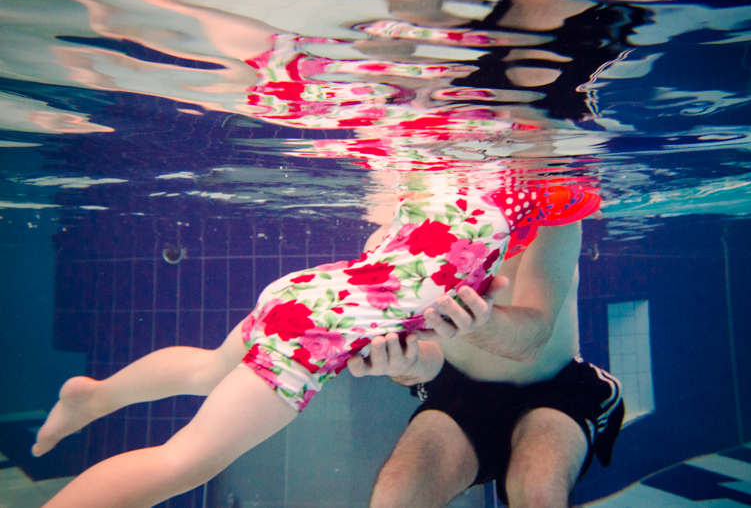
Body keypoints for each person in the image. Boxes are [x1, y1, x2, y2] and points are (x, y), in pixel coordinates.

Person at [32, 169, 600, 507]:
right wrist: (411, 353)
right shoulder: (483, 256)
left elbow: (428, 342)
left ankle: (98, 395)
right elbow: (429, 336)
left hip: (308, 294)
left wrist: (400, 360)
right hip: (313, 336)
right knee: (182, 461)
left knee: (208, 369)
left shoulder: (426, 203)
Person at [348, 209, 624, 508]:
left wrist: (475, 323)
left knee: (537, 491)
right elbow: (430, 360)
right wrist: (405, 364)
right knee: (395, 496)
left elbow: (533, 339)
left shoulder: (552, 213)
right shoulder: (391, 238)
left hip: (555, 385)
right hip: (459, 389)